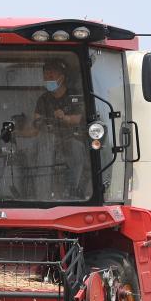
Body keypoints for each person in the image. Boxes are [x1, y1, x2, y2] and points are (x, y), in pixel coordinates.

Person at [14, 60, 88, 199]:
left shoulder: (74, 96)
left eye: (51, 75)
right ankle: (40, 196)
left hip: (71, 139)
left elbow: (78, 118)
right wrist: (17, 133)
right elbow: (36, 125)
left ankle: (72, 192)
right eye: (45, 76)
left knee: (76, 149)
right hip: (49, 142)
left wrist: (64, 117)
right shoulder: (44, 99)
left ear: (62, 77)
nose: (47, 79)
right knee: (33, 153)